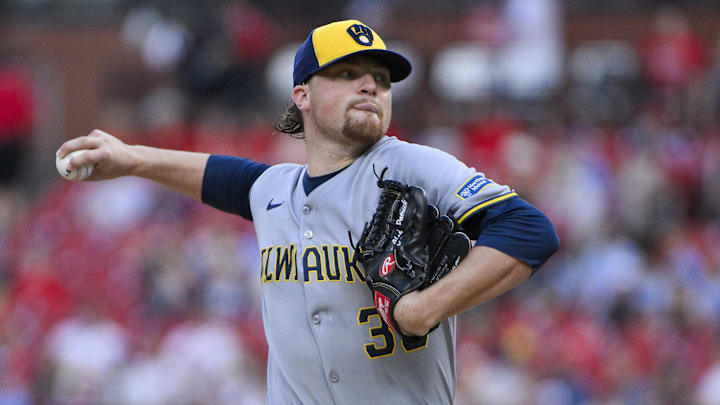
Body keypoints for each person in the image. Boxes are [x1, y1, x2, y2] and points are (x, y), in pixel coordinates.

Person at [56, 19, 559, 404]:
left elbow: (529, 228)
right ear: (302, 95)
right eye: (347, 74)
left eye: (381, 80)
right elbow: (223, 176)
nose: (370, 87)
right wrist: (133, 158)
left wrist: (425, 307)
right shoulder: (276, 190)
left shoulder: (410, 165)